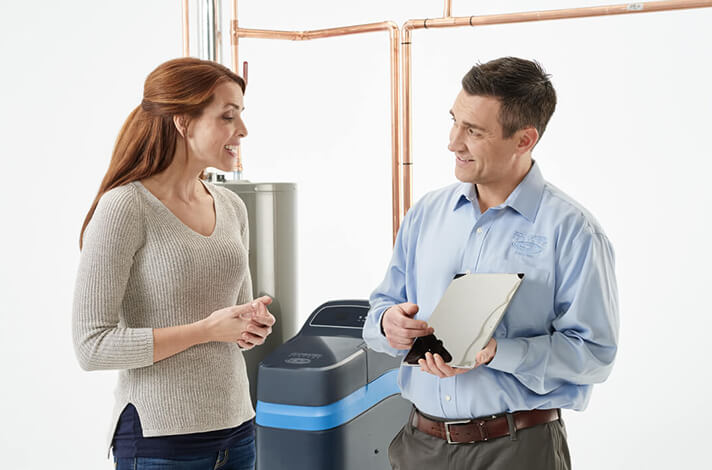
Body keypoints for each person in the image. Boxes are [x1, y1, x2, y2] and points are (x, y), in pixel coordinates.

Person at [363, 57, 619, 469]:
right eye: (454, 121)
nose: (453, 142)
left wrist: (500, 350)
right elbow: (379, 310)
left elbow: (595, 355)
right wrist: (387, 322)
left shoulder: (573, 231)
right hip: (419, 446)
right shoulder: (426, 214)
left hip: (517, 450)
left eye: (473, 131)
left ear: (524, 140)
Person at [72, 57, 276, 470]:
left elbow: (234, 322)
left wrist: (250, 326)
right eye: (228, 116)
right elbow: (91, 346)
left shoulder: (232, 206)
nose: (243, 131)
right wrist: (206, 330)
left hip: (238, 428)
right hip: (159, 440)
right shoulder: (126, 207)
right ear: (183, 122)